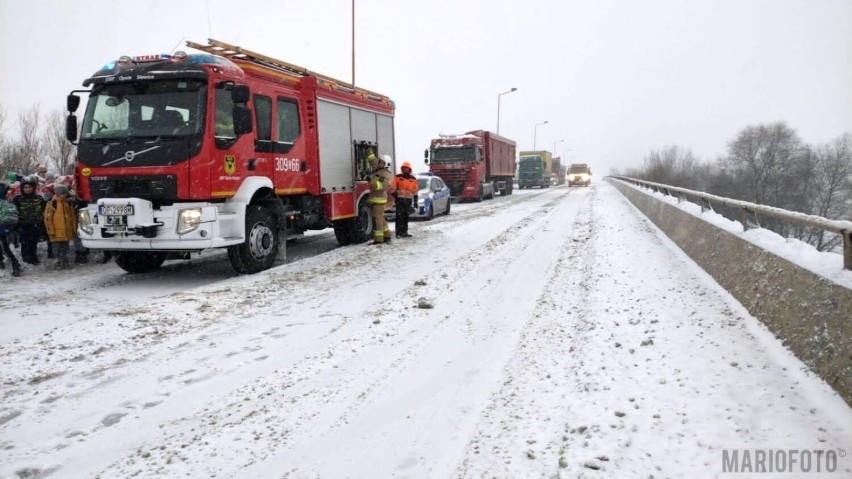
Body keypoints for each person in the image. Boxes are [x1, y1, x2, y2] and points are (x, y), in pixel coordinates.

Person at [13, 176, 46, 265]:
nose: (27, 189)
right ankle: (26, 259)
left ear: (33, 187)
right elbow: (14, 212)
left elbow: (44, 211)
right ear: (22, 188)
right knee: (25, 243)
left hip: (36, 225)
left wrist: (42, 224)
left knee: (33, 242)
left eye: (29, 187)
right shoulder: (18, 199)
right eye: (25, 187)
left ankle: (33, 257)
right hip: (23, 225)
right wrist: (17, 224)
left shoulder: (39, 198)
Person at [43, 184, 77, 269]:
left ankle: (65, 261)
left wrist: (74, 228)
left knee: (65, 248)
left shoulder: (68, 203)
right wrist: (51, 230)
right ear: (58, 193)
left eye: (66, 193)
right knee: (57, 249)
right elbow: (48, 218)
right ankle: (58, 261)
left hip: (66, 231)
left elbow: (72, 217)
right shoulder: (52, 203)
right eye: (63, 193)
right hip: (56, 232)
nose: (65, 195)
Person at [366, 152, 393, 245]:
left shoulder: (385, 174)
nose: (379, 163)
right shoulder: (379, 171)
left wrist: (369, 179)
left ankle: (379, 240)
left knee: (378, 219)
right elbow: (374, 162)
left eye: (381, 162)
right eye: (379, 161)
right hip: (377, 199)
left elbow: (380, 186)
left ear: (385, 164)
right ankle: (387, 235)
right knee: (380, 218)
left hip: (379, 200)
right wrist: (369, 152)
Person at [390, 161, 418, 238]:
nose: (405, 169)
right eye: (404, 168)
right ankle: (398, 233)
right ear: (402, 169)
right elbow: (392, 188)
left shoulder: (413, 179)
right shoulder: (397, 177)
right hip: (400, 201)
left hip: (408, 201)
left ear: (409, 169)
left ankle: (405, 232)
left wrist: (416, 201)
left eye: (407, 168)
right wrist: (397, 197)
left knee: (406, 217)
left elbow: (415, 190)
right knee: (399, 217)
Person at [0, 182, 22, 276]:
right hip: (4, 224)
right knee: (5, 245)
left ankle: (3, 262)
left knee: (5, 245)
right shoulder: (5, 193)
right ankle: (15, 263)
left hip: (2, 223)